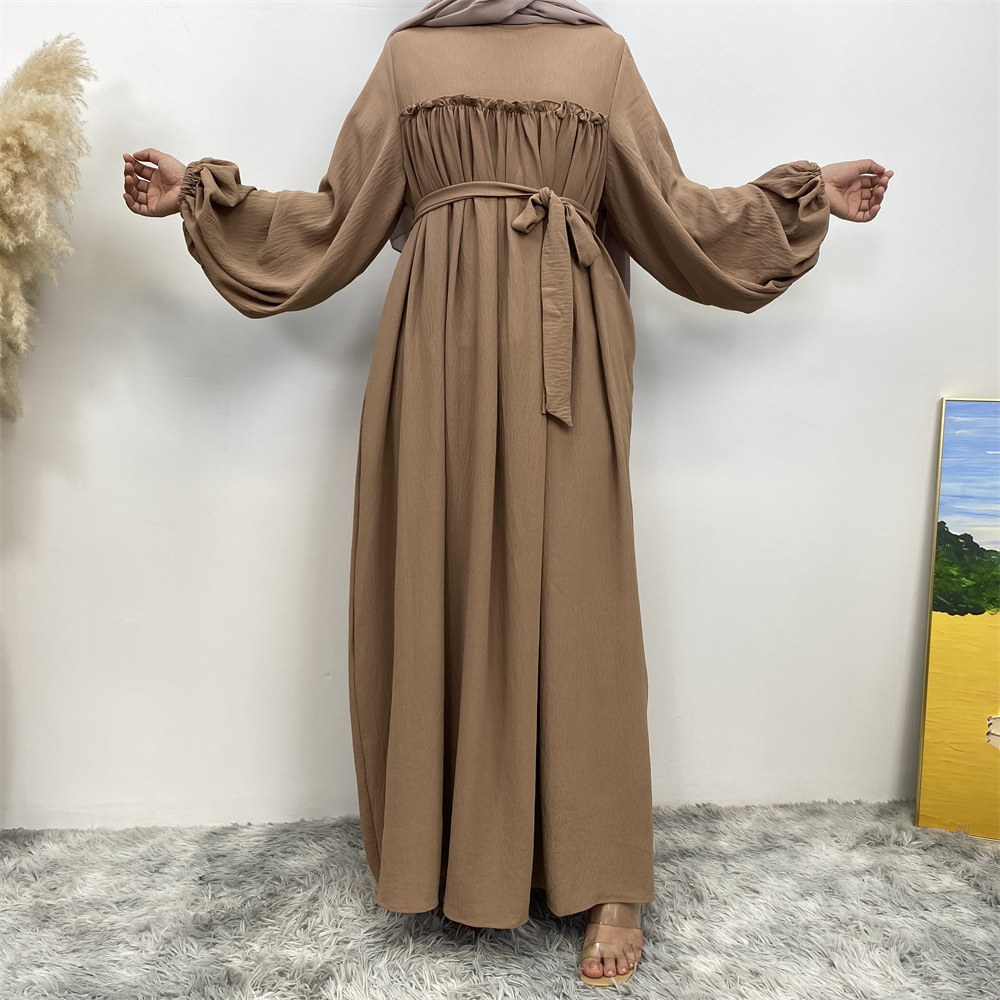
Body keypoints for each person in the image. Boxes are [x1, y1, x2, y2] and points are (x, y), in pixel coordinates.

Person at [123, 0, 892, 987]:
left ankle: (607, 876)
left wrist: (803, 196)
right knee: (439, 574)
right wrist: (196, 195)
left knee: (580, 597)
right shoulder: (408, 58)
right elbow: (336, 217)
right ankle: (459, 857)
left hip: (567, 351)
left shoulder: (600, 56)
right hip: (434, 352)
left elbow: (673, 211)